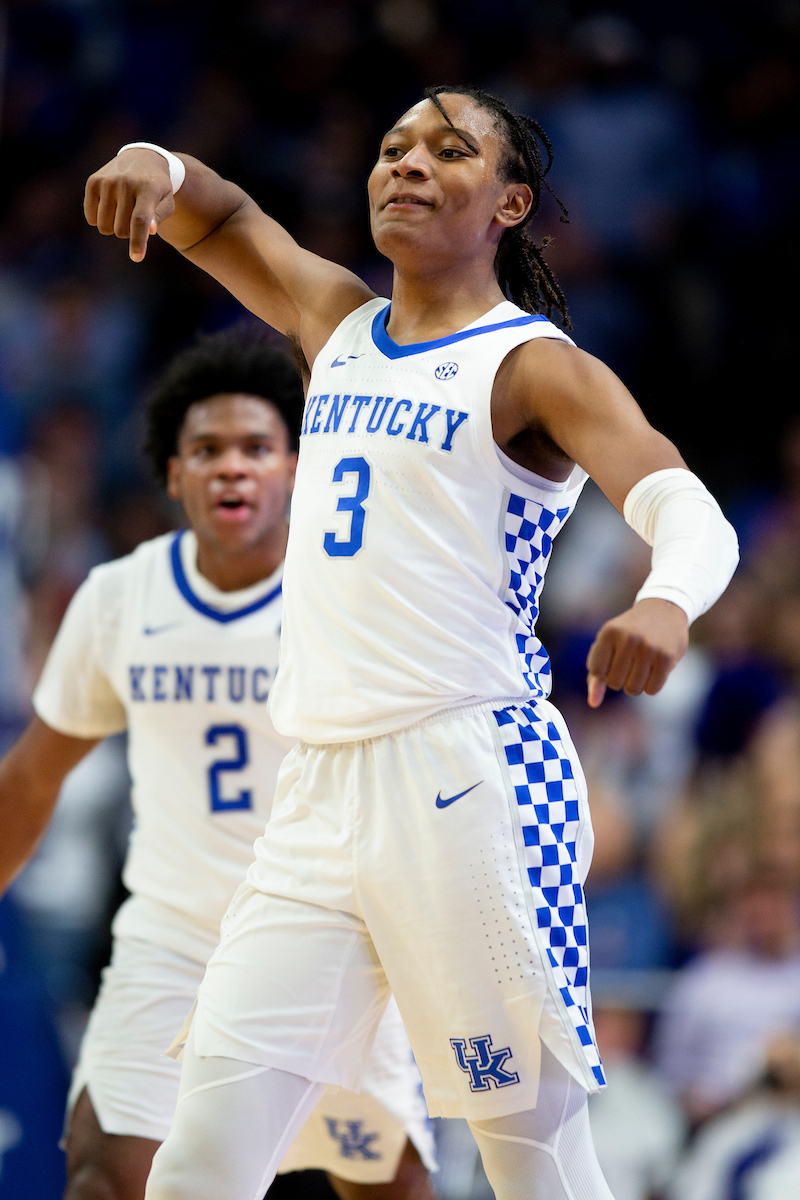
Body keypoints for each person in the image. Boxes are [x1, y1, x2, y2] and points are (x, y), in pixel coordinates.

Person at [82, 85, 739, 1200]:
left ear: (508, 201)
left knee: (527, 1153)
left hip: (467, 778)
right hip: (316, 797)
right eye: (390, 148)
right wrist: (156, 159)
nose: (405, 164)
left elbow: (686, 506)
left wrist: (666, 600)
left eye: (445, 150)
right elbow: (225, 219)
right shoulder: (332, 321)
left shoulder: (532, 368)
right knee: (202, 1157)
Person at [0, 327, 436, 1200]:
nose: (231, 467)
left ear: (295, 470)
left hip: (326, 940)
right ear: (173, 476)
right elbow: (34, 776)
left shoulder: (353, 596)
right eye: (206, 450)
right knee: (104, 1175)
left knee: (387, 1186)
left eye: (256, 448)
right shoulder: (120, 596)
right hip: (172, 940)